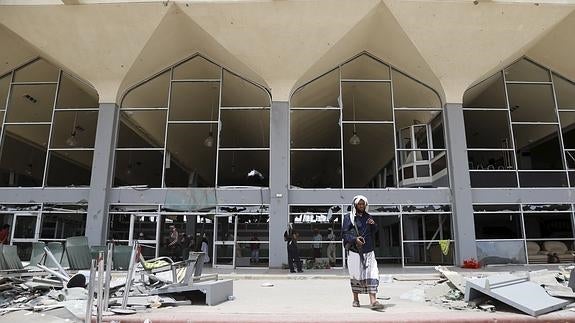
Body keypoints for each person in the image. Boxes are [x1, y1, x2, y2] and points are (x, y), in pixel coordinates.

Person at [342, 195, 384, 310]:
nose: (361, 206)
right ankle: (355, 299)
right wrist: (355, 239)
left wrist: (373, 225)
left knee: (373, 273)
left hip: (369, 251)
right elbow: (344, 234)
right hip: (355, 252)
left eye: (363, 204)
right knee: (356, 275)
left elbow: (374, 231)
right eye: (359, 204)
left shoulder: (368, 217)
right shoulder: (348, 218)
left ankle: (373, 301)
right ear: (355, 205)